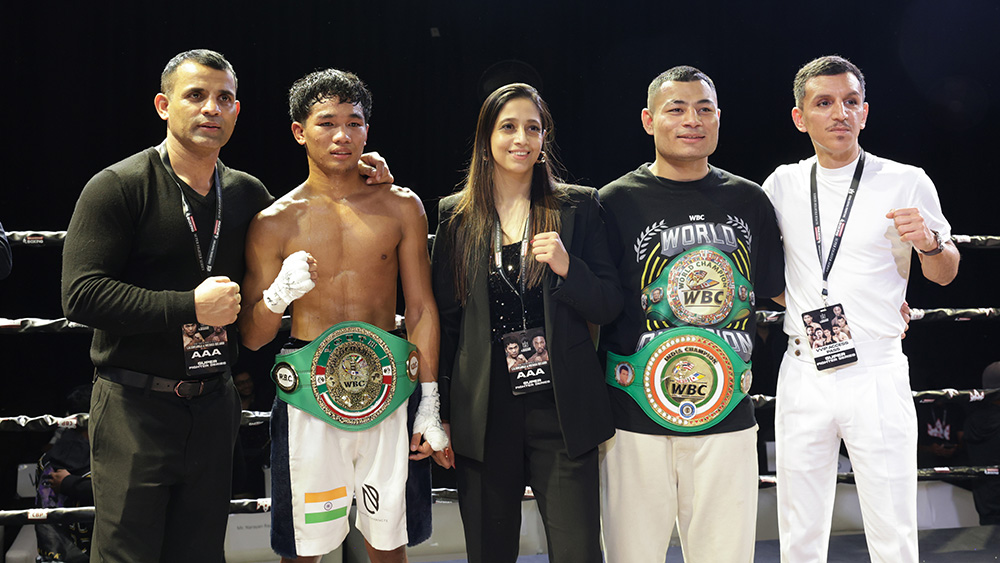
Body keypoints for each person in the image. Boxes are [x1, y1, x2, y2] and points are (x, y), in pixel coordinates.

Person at [61, 50, 391, 563]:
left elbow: (315, 203)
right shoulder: (119, 186)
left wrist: (366, 175)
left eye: (225, 98)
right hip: (135, 404)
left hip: (215, 404)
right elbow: (80, 294)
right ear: (163, 105)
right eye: (196, 95)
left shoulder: (245, 194)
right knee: (127, 554)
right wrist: (187, 305)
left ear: (237, 112)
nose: (211, 108)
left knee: (201, 552)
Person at [239, 68, 447, 563]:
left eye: (354, 123)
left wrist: (431, 403)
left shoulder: (402, 206)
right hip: (309, 391)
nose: (341, 136)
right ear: (299, 131)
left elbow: (420, 308)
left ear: (367, 132)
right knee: (305, 549)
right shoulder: (274, 222)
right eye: (326, 122)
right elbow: (250, 337)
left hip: (391, 384)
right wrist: (277, 296)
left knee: (388, 543)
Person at [762, 55, 960, 563]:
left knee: (893, 525)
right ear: (800, 116)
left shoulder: (906, 180)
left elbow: (945, 273)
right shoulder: (781, 184)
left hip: (875, 368)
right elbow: (765, 276)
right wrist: (804, 305)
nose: (839, 113)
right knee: (799, 526)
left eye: (851, 102)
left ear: (865, 112)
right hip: (804, 367)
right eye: (824, 103)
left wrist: (932, 246)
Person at [598, 66, 784, 562]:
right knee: (630, 555)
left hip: (728, 417)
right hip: (633, 415)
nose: (691, 120)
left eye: (704, 109)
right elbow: (595, 304)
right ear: (648, 120)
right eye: (676, 109)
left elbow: (780, 292)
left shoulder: (750, 200)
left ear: (719, 118)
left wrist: (870, 305)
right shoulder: (613, 202)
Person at [432, 82, 621, 563]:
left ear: (544, 140)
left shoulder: (578, 206)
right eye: (508, 127)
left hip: (562, 409)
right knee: (490, 551)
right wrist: (443, 417)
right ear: (486, 138)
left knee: (578, 552)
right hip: (486, 409)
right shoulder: (456, 216)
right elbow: (448, 324)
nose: (522, 139)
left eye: (533, 128)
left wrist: (567, 267)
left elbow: (607, 304)